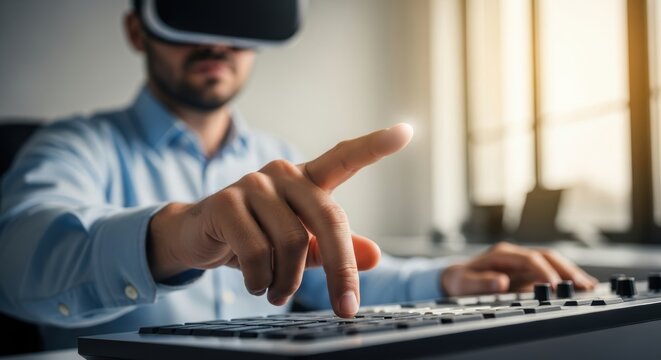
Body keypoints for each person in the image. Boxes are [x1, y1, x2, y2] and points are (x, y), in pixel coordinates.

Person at [0, 0, 597, 350]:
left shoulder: (275, 158)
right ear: (139, 30)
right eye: (192, 12)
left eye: (235, 15)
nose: (215, 40)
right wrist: (178, 235)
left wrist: (455, 279)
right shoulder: (76, 144)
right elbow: (20, 261)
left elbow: (336, 284)